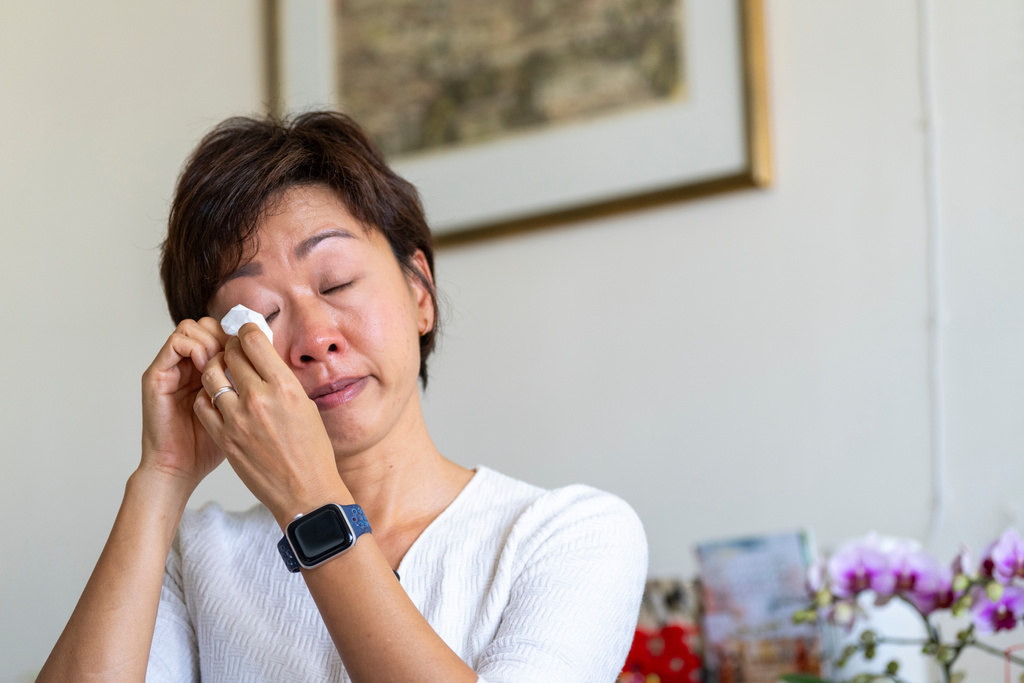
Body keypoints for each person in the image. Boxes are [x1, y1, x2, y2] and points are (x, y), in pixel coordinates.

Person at [38, 111, 647, 682]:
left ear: (420, 294)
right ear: (218, 357)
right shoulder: (196, 558)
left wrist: (310, 500)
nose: (315, 340)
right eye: (263, 314)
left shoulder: (569, 534)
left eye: (337, 282)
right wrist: (162, 476)